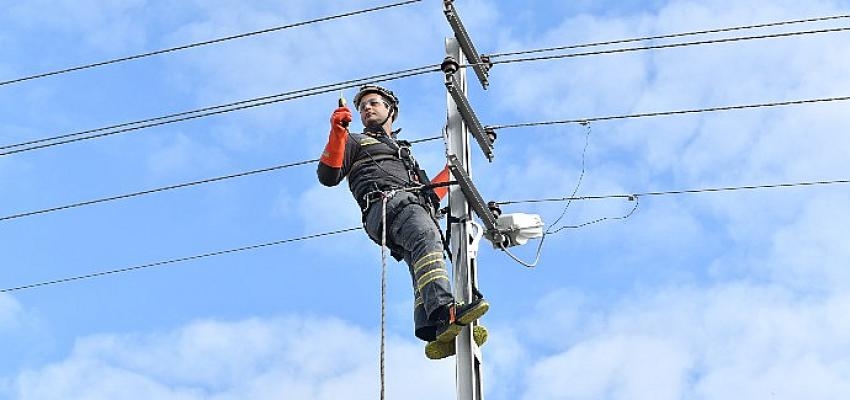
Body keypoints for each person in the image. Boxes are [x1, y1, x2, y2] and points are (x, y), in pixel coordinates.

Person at [316, 84, 488, 359]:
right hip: (388, 205)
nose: (366, 109)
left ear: (391, 111)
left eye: (373, 103)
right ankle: (445, 311)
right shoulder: (354, 141)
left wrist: (458, 167)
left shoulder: (403, 153)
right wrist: (338, 132)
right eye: (362, 107)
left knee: (421, 259)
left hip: (409, 205)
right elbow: (328, 175)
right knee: (425, 238)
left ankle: (433, 329)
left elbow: (431, 195)